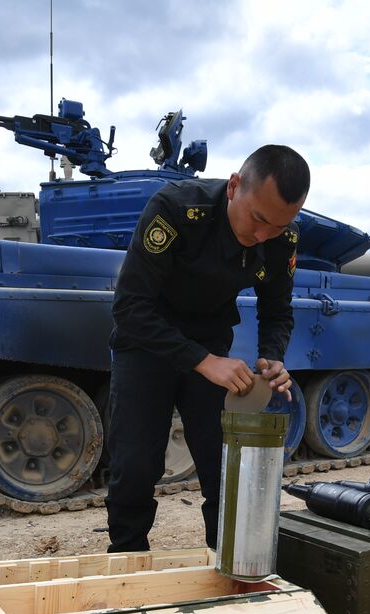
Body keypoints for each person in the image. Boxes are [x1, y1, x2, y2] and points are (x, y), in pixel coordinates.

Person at [105, 145, 310, 552]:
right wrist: (202, 361)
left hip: (212, 342)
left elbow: (277, 310)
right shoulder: (176, 210)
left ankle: (228, 561)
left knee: (223, 468)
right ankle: (126, 561)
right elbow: (129, 307)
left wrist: (271, 356)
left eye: (278, 226)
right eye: (258, 220)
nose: (262, 236)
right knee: (135, 464)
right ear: (234, 186)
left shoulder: (281, 237)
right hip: (146, 342)